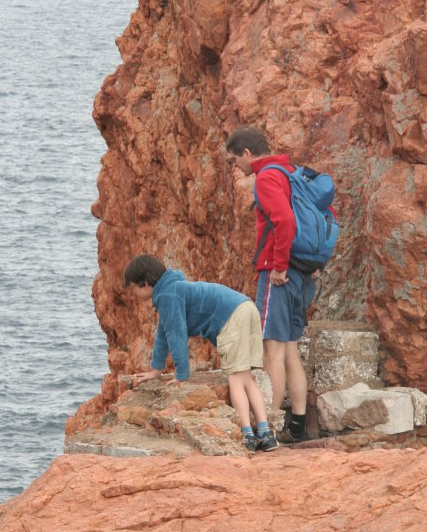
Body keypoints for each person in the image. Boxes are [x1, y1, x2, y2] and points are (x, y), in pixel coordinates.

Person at [123, 254, 278, 452]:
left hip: (231, 317)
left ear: (144, 283)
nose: (132, 294)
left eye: (133, 288)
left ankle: (248, 434)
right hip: (246, 308)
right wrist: (156, 369)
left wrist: (181, 375)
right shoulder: (174, 288)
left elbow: (176, 335)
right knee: (247, 378)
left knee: (236, 380)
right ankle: (266, 434)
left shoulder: (168, 296)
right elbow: (163, 332)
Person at [224, 124, 315, 443]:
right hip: (303, 272)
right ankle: (298, 425)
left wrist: (278, 266)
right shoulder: (292, 171)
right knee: (290, 349)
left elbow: (285, 222)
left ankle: (270, 427)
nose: (236, 167)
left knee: (271, 351)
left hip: (278, 274)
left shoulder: (266, 178)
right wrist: (308, 265)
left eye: (234, 160)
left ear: (247, 153)